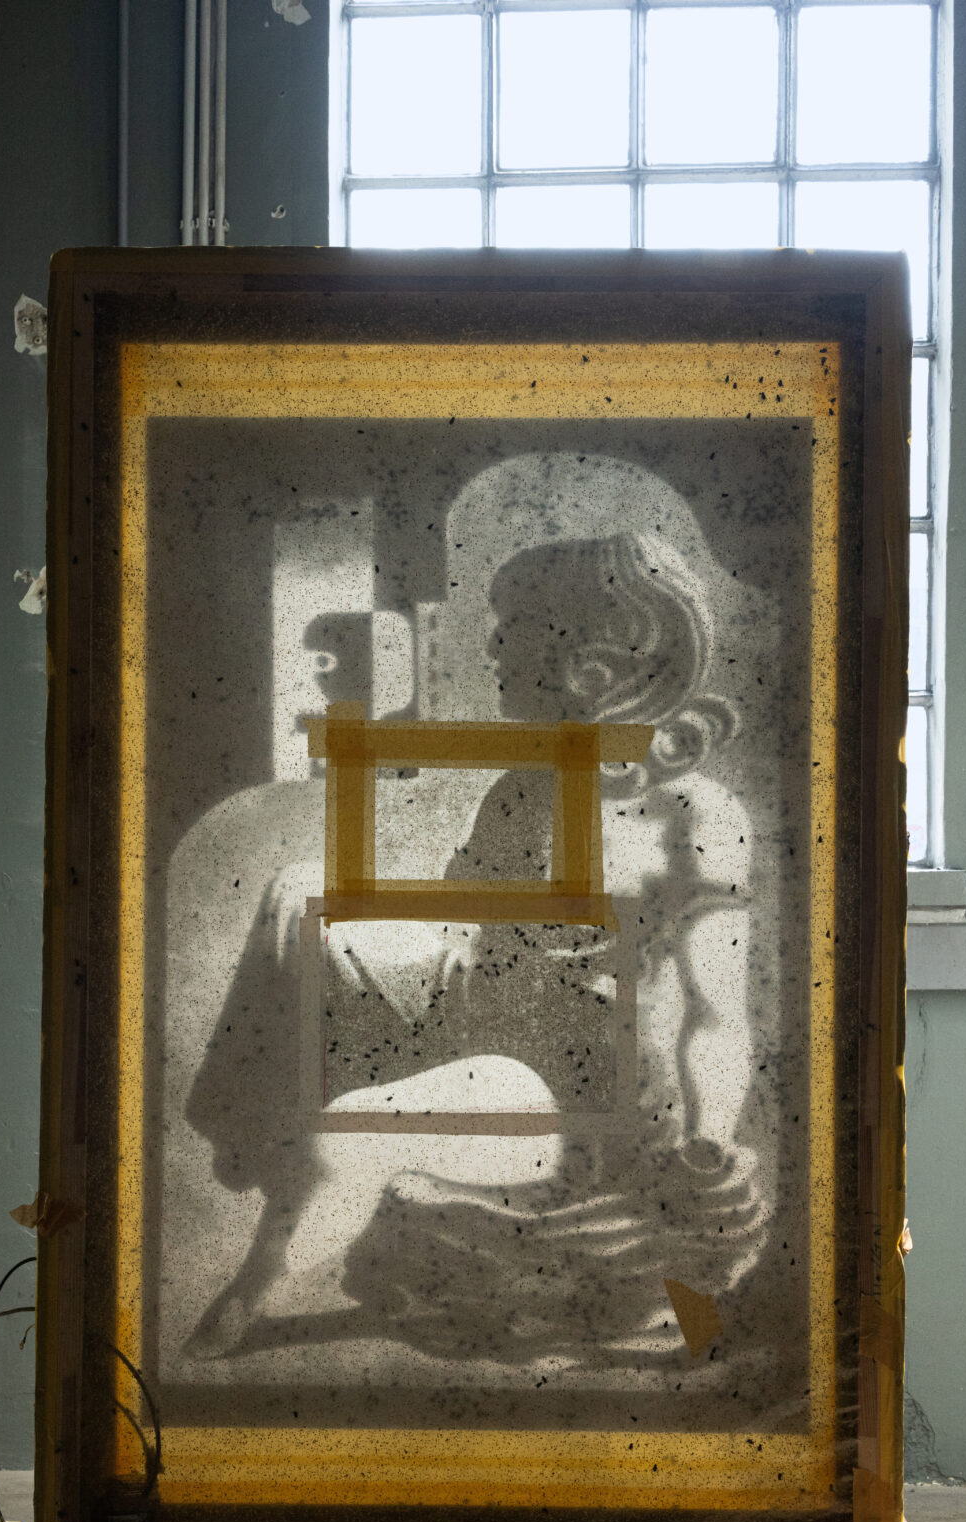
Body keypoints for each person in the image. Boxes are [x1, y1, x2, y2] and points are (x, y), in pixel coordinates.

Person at [175, 454, 768, 1370]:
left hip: (571, 1089)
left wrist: (707, 1139)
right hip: (485, 1005)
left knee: (352, 1130)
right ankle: (256, 1139)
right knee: (301, 891)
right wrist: (370, 956)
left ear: (587, 663)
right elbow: (470, 937)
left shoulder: (694, 818)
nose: (489, 649)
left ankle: (252, 1292)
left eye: (511, 630)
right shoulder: (524, 787)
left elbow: (714, 1011)